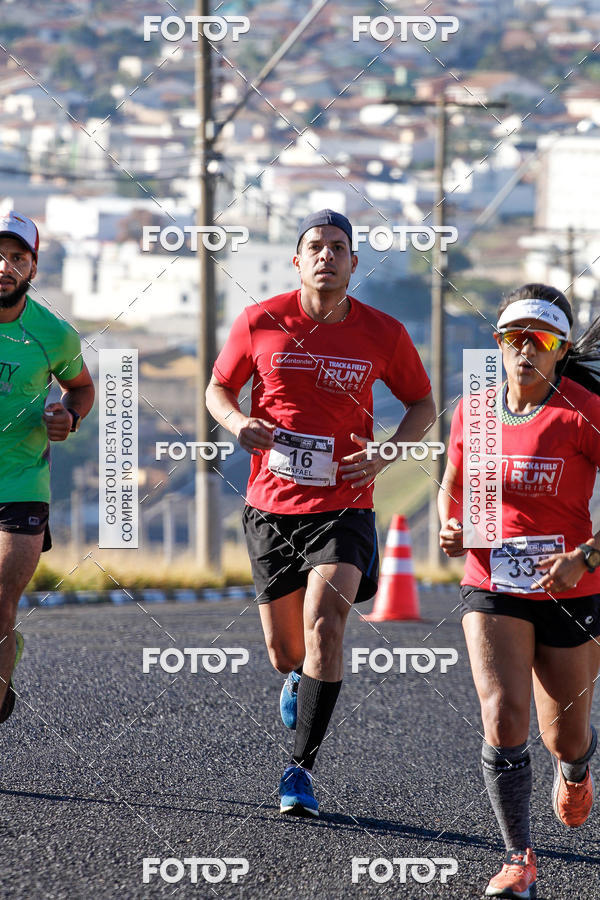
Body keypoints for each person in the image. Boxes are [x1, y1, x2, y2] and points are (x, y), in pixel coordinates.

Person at [206, 209, 434, 816]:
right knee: (287, 653)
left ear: (354, 263)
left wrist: (387, 453)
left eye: (339, 247)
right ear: (297, 261)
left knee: (326, 623)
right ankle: (297, 679)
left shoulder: (383, 333)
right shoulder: (260, 320)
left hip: (345, 504)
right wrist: (237, 423)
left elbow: (421, 402)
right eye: (315, 246)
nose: (327, 256)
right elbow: (218, 388)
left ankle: (299, 769)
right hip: (270, 506)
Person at [439, 283, 600, 899]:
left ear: (559, 350)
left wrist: (584, 557)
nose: (525, 350)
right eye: (513, 338)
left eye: (541, 340)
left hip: (572, 589)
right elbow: (452, 483)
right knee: (503, 713)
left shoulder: (582, 410)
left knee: (565, 735)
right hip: (492, 583)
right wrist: (450, 527)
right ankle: (518, 860)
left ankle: (577, 768)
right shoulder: (473, 412)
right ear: (498, 345)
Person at [0, 211, 95, 722]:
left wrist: (68, 417)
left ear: (32, 269)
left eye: (17, 257)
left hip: (20, 482)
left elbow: (81, 388)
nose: (4, 265)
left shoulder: (53, 334)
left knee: (0, 607)